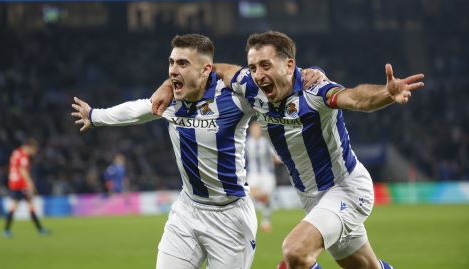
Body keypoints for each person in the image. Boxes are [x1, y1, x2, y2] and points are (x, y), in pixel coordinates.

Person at [151, 31, 424, 269]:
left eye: (265, 65)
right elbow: (214, 68)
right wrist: (167, 84)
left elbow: (355, 98)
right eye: (253, 66)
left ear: (289, 64)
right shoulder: (251, 87)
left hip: (345, 189)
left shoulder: (314, 90)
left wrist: (386, 94)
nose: (258, 75)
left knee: (295, 252)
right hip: (311, 198)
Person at [72, 34, 324, 269]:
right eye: (171, 62)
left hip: (230, 217)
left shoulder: (236, 96)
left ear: (205, 70)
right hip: (187, 210)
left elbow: (280, 82)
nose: (173, 70)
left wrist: (314, 74)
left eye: (182, 63)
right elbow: (138, 111)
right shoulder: (171, 100)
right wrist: (94, 116)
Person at [3, 139, 49, 238]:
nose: (34, 153)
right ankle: (40, 230)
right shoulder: (24, 156)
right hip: (21, 184)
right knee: (29, 206)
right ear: (30, 147)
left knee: (18, 206)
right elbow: (23, 170)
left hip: (13, 182)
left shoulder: (16, 152)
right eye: (34, 150)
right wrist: (30, 184)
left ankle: (6, 230)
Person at [245, 120, 280, 233]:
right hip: (253, 173)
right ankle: (251, 221)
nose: (256, 130)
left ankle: (265, 221)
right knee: (251, 195)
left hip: (267, 174)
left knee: (265, 198)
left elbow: (276, 157)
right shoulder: (246, 142)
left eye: (257, 128)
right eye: (254, 128)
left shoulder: (267, 142)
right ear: (250, 130)